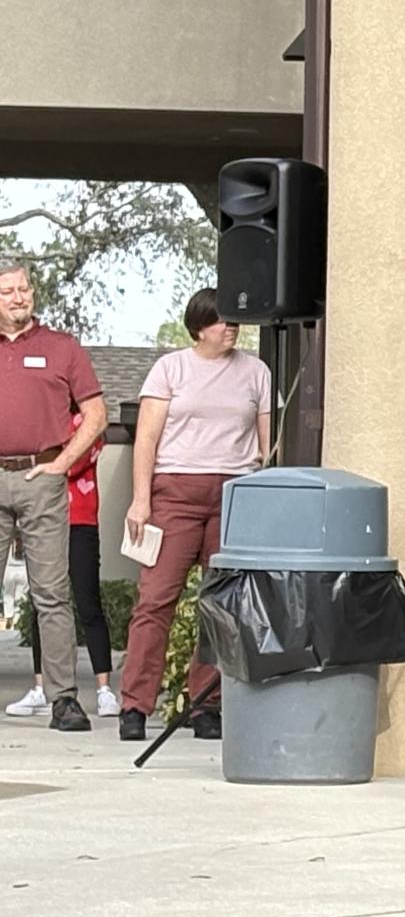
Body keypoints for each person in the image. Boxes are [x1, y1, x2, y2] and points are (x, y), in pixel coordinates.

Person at [120, 289, 272, 742]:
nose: (231, 328)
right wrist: (140, 499)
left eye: (234, 322)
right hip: (175, 495)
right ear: (199, 326)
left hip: (233, 497)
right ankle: (135, 705)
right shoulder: (171, 368)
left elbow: (266, 447)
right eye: (221, 321)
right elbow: (145, 439)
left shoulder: (256, 371)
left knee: (222, 604)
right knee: (155, 600)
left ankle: (207, 704)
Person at [0, 259, 108, 733]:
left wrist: (62, 464)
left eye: (24, 289)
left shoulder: (62, 348)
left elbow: (97, 413)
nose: (18, 297)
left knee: (52, 594)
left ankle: (63, 699)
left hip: (41, 479)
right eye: (7, 291)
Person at [5, 408, 117, 719]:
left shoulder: (87, 419)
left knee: (87, 601)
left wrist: (49, 458)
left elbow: (76, 460)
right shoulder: (42, 419)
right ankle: (41, 687)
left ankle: (104, 688)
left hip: (80, 520)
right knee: (44, 602)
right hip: (39, 517)